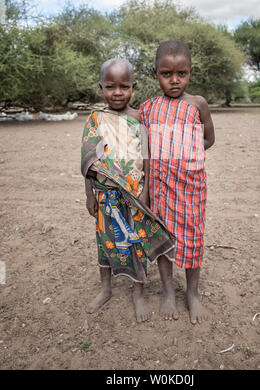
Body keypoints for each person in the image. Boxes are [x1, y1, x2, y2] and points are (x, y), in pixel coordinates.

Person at [81, 58, 174, 323]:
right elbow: (89, 161)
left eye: (124, 86)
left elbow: (146, 157)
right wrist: (89, 195)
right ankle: (106, 288)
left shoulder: (138, 119)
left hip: (133, 195)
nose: (118, 93)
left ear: (133, 87)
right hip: (104, 194)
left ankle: (138, 292)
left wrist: (144, 191)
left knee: (135, 242)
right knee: (104, 241)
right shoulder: (96, 119)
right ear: (101, 88)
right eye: (111, 87)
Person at [140, 41, 215, 324]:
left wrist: (184, 152)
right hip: (160, 189)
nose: (174, 80)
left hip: (191, 187)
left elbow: (209, 139)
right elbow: (145, 147)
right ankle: (168, 291)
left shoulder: (198, 104)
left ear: (190, 72)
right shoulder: (148, 109)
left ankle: (192, 294)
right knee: (163, 240)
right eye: (166, 74)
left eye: (181, 73)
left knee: (193, 239)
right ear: (155, 73)